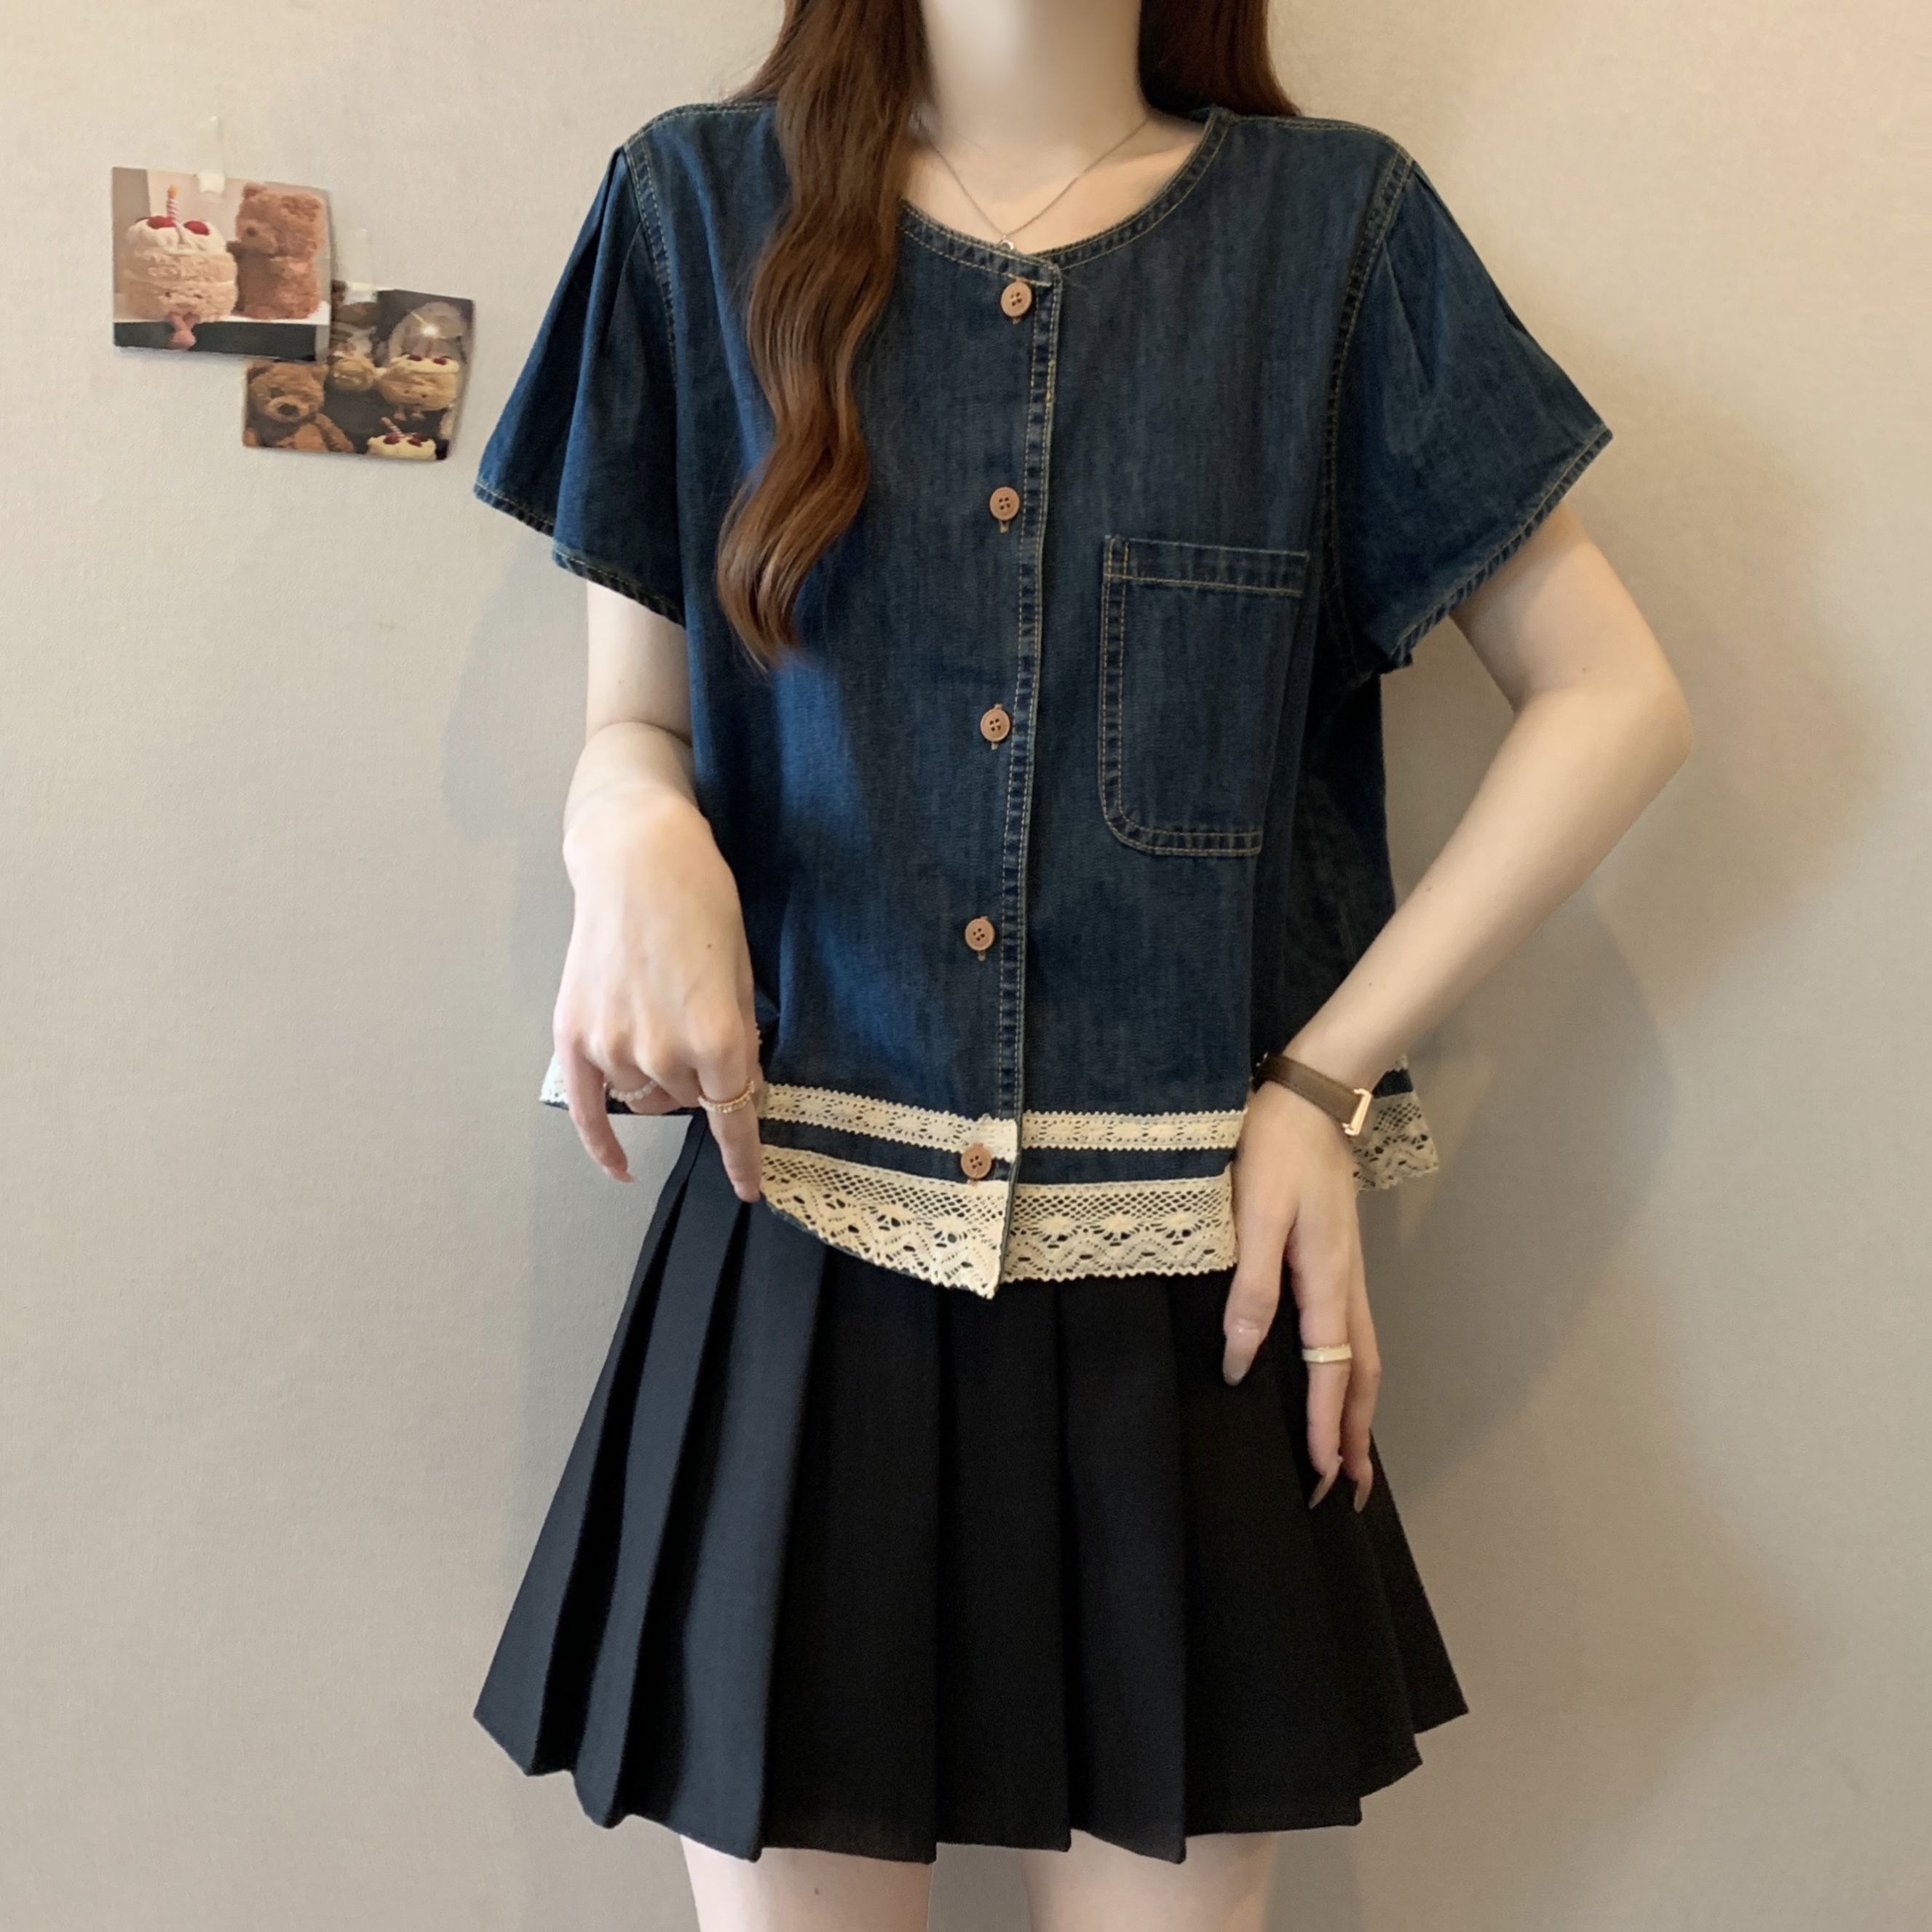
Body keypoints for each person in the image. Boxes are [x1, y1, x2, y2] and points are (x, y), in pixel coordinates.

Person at [467, 1, 1693, 1927]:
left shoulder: (1335, 236)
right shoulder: (692, 211)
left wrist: (1320, 1084)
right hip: (801, 1239)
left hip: (1193, 1283)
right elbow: (639, 722)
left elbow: (1615, 700)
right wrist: (628, 830)